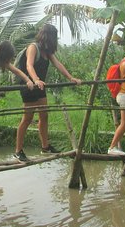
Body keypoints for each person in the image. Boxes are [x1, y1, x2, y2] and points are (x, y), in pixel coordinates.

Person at [14, 23, 82, 162]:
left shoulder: (47, 51)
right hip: (29, 86)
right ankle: (18, 150)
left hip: (40, 87)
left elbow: (58, 65)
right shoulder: (33, 47)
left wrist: (71, 78)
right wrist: (36, 79)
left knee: (44, 116)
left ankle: (45, 147)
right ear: (48, 36)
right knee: (27, 119)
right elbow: (29, 65)